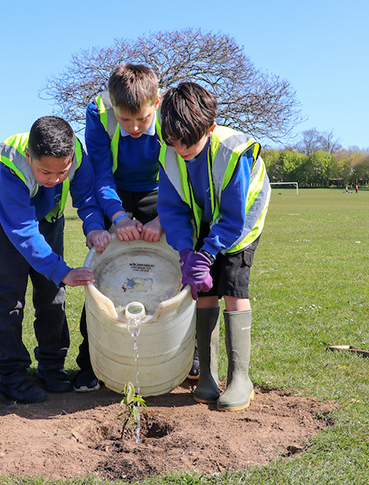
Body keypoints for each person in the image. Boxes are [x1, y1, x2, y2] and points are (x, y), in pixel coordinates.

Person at [0, 116, 111, 404]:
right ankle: (12, 375)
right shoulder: (6, 165)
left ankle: (51, 368)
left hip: (47, 220)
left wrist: (93, 227)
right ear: (29, 156)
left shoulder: (76, 155)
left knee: (53, 297)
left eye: (62, 173)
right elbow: (22, 230)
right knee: (7, 301)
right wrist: (60, 269)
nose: (54, 181)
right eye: (45, 173)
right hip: (1, 225)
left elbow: (87, 199)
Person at [156, 82, 271, 412]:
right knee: (203, 292)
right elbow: (172, 207)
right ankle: (207, 377)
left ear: (209, 127)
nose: (181, 150)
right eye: (174, 143)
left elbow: (233, 216)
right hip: (202, 218)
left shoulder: (233, 151)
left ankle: (240, 379)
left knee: (233, 289)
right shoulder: (170, 153)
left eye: (188, 143)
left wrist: (208, 254)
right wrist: (186, 252)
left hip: (241, 222)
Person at [74, 63, 172, 392]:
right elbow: (100, 173)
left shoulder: (172, 112)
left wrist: (163, 220)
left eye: (141, 120)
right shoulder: (98, 112)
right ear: (113, 106)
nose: (132, 128)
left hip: (160, 189)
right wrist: (118, 218)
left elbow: (178, 174)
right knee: (100, 274)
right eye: (124, 119)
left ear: (156, 104)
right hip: (113, 190)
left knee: (181, 260)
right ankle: (89, 363)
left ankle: (189, 354)